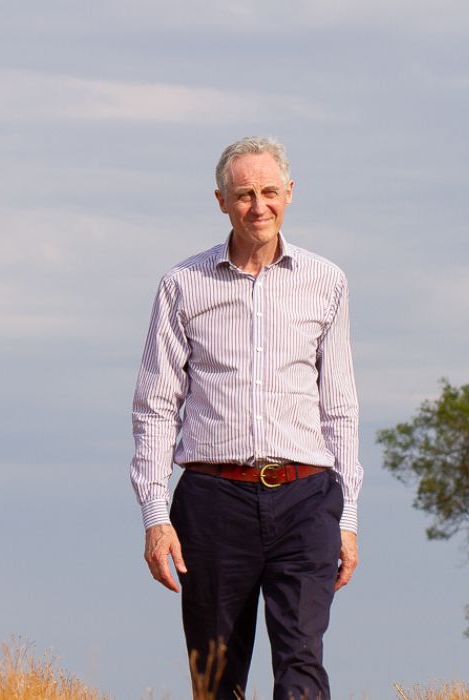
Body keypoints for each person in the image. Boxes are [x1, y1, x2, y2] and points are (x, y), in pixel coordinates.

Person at [129, 136, 362, 699]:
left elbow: (340, 406)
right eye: (243, 195)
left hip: (307, 497)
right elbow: (156, 407)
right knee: (216, 675)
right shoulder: (183, 285)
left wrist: (348, 517)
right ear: (220, 201)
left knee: (302, 661)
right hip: (212, 502)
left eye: (269, 192)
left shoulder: (326, 281)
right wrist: (156, 517)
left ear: (290, 193)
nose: (258, 206)